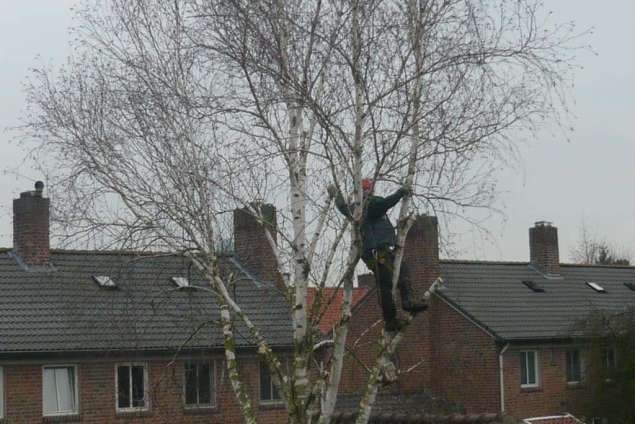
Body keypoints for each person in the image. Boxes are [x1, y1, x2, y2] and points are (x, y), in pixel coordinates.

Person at [328, 178, 426, 332]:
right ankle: (391, 319)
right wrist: (401, 192)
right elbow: (384, 203)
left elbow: (342, 207)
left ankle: (407, 301)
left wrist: (336, 194)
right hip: (376, 251)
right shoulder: (368, 205)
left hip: (382, 250)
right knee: (386, 282)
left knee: (403, 270)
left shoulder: (356, 208)